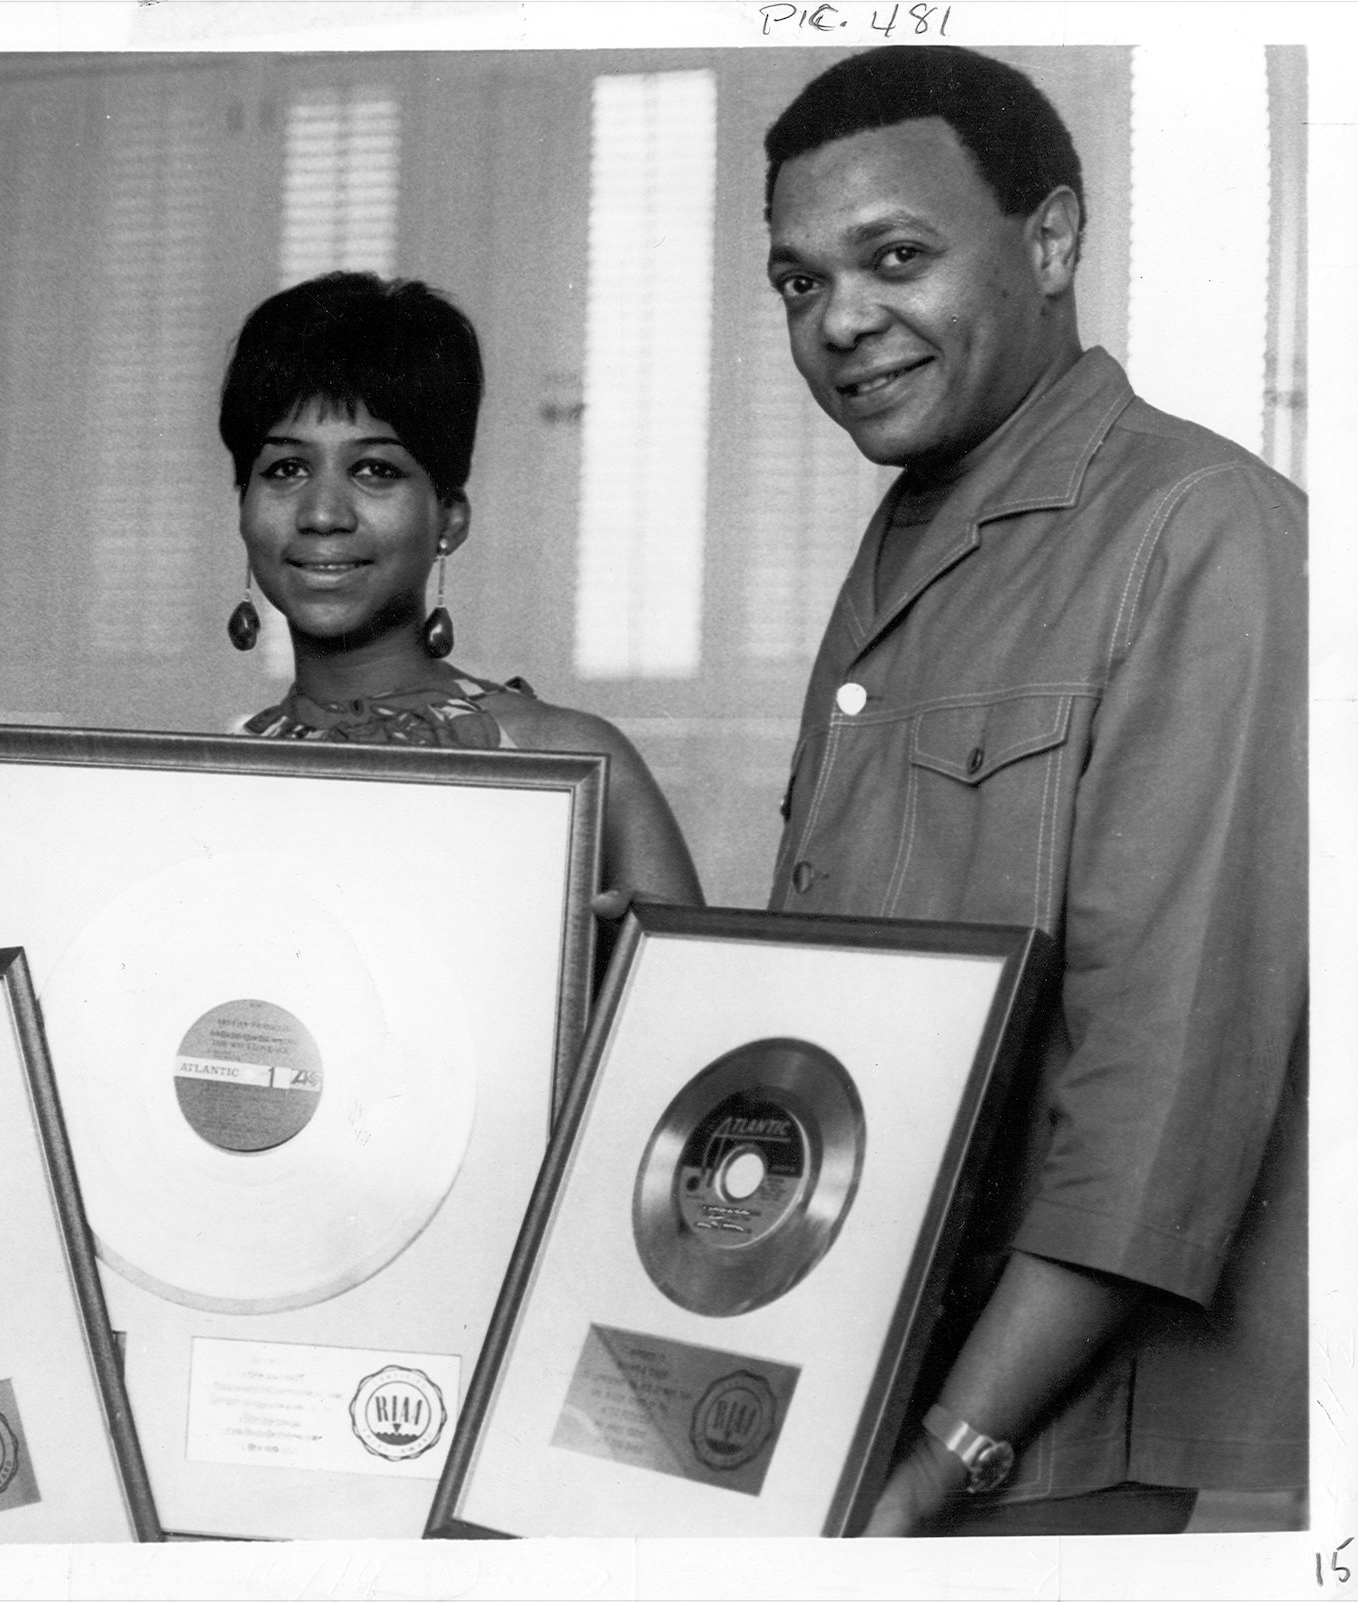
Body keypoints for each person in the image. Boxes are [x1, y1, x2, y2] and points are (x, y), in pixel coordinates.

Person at [759, 47, 1305, 1536]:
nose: (844, 321)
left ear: (1051, 240)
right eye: (799, 283)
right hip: (852, 1383)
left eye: (896, 257)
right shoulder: (915, 533)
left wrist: (946, 1458)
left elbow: (1168, 1087)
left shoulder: (1204, 533)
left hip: (1035, 1438)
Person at [220, 271, 704, 915]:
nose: (322, 513)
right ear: (244, 511)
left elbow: (692, 1011)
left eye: (374, 469)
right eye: (285, 468)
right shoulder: (211, 779)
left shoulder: (576, 762)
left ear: (449, 518)